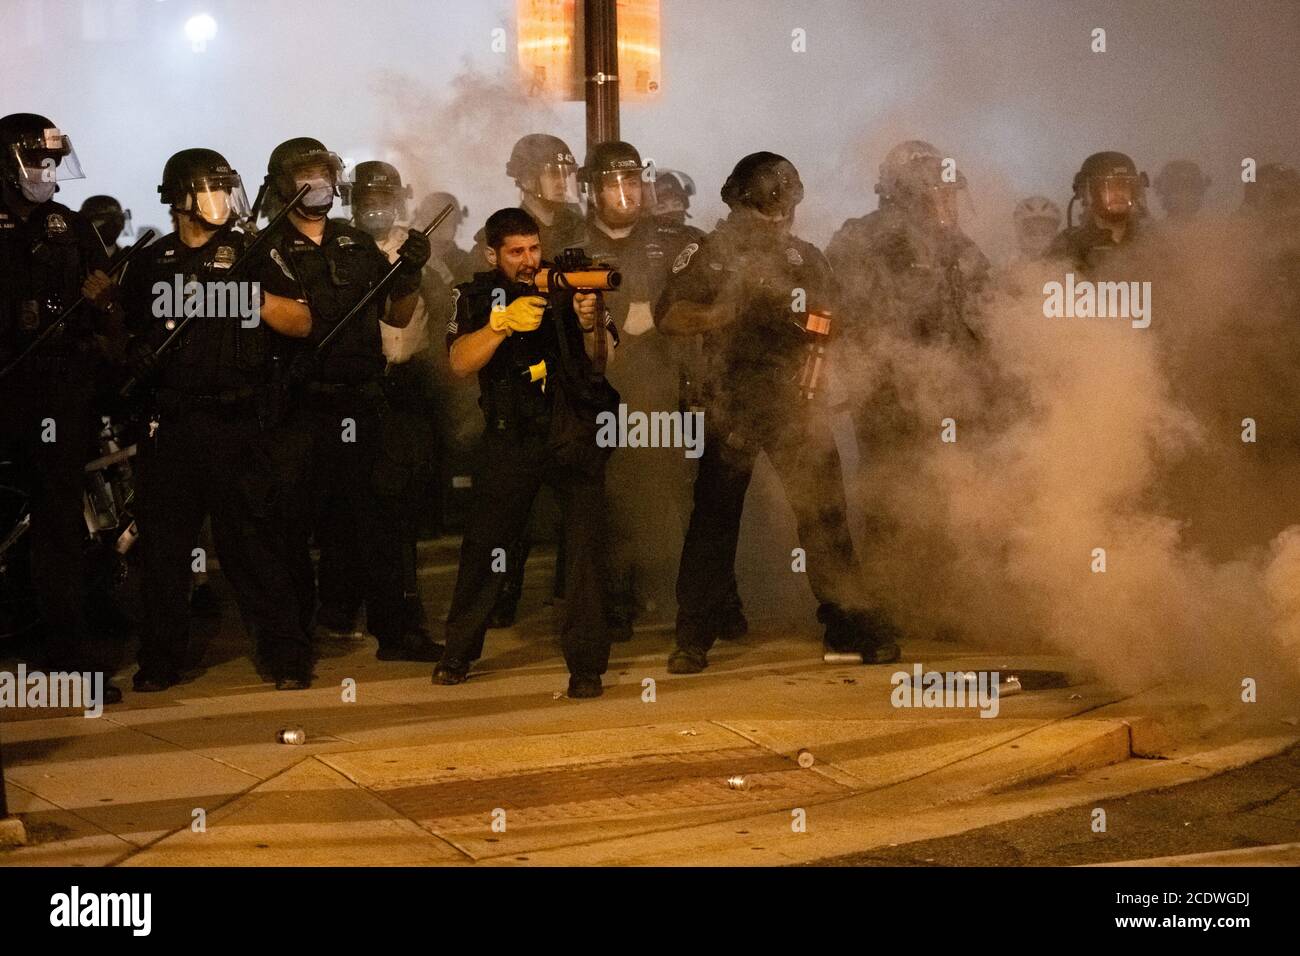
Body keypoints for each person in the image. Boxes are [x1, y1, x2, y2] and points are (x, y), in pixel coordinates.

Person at [655, 152, 901, 674]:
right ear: (739, 204)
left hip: (796, 404)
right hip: (729, 405)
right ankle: (694, 635)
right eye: (764, 208)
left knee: (825, 517)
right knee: (714, 523)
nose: (774, 219)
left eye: (782, 207)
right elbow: (670, 316)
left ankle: (849, 622)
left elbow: (834, 320)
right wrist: (724, 311)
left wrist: (817, 333)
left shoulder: (805, 258)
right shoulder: (707, 253)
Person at [119, 147, 313, 691]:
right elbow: (122, 330)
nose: (223, 199)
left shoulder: (253, 252)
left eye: (228, 188)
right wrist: (130, 349)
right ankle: (160, 659)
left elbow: (301, 321)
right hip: (172, 424)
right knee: (164, 552)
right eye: (212, 188)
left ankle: (286, 656)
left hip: (238, 423)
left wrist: (247, 296)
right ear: (182, 198)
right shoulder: (151, 261)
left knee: (253, 545)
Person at [252, 137, 442, 685]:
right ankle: (290, 647)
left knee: (381, 520)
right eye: (306, 176)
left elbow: (398, 315)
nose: (320, 185)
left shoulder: (355, 241)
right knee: (289, 527)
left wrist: (408, 275)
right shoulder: (264, 248)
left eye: (325, 174)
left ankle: (398, 631)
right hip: (298, 402)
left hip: (361, 396)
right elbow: (292, 321)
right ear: (284, 184)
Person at [437, 207, 618, 697]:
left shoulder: (567, 285)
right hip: (511, 436)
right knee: (487, 546)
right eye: (515, 251)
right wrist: (500, 326)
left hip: (571, 432)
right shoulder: (473, 294)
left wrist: (588, 323)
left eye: (533, 248)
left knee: (584, 551)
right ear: (491, 254)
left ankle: (586, 667)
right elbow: (458, 362)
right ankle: (458, 652)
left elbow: (606, 361)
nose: (527, 259)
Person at [0, 113, 122, 703]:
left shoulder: (68, 226)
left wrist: (101, 303)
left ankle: (67, 653)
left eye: (52, 162)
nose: (46, 173)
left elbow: (107, 305)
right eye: (34, 161)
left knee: (58, 523)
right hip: (4, 382)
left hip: (56, 392)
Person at [579, 141, 697, 638]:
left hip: (665, 388)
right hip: (598, 393)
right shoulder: (570, 243)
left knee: (676, 492)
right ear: (591, 190)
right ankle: (616, 601)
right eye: (613, 184)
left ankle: (690, 599)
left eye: (633, 182)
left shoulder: (674, 241)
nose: (626, 194)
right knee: (608, 496)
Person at [343, 160, 438, 641]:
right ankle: (346, 605)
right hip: (358, 389)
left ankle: (399, 609)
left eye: (386, 198)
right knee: (354, 507)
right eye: (369, 200)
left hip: (409, 386)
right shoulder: (341, 246)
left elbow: (429, 315)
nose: (378, 209)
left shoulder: (419, 246)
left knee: (401, 507)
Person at [1048, 151, 1149, 271]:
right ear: (1088, 192)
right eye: (1109, 186)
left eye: (1123, 186)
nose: (1118, 193)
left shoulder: (1152, 239)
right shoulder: (1069, 245)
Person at [1010, 195, 1062, 265]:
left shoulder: (1068, 269)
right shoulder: (1009, 268)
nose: (1039, 237)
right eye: (1031, 232)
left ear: (1055, 233)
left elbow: (1071, 275)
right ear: (1019, 234)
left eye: (1046, 232)